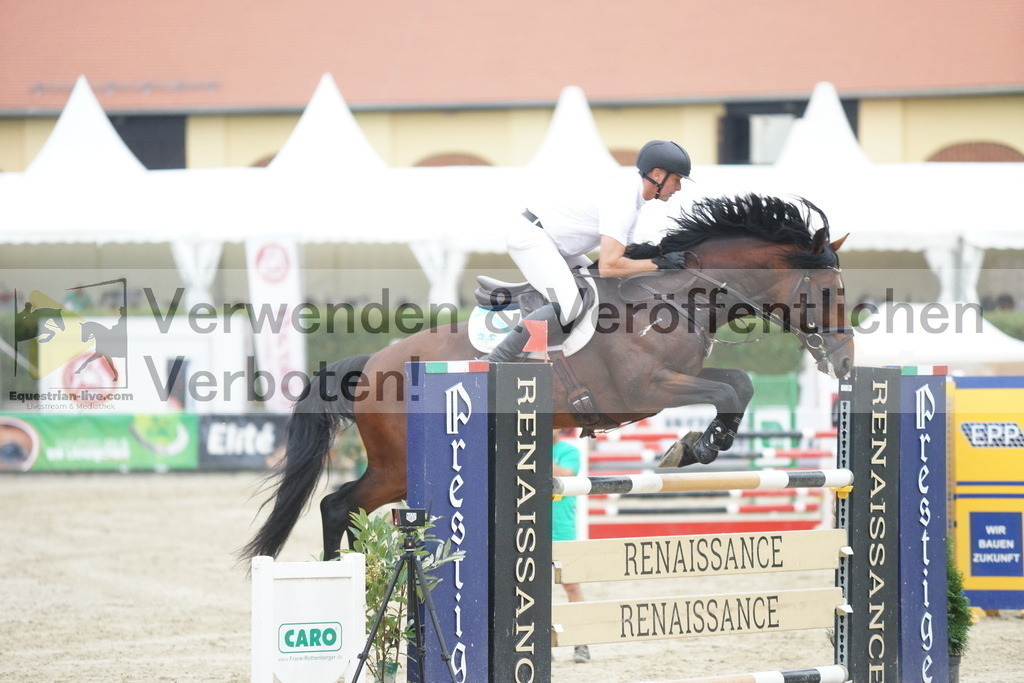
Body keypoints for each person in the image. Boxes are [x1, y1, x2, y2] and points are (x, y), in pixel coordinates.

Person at [483, 140, 694, 362]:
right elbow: (609, 266)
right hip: (532, 238)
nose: (678, 188)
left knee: (601, 291)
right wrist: (659, 264)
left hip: (554, 243)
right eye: (677, 180)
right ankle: (497, 358)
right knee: (570, 305)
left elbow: (628, 252)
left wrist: (662, 252)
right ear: (658, 175)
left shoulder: (630, 198)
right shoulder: (622, 200)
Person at [551, 429, 590, 663]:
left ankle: (581, 643)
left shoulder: (569, 451)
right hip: (530, 529)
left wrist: (530, 455)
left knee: (572, 588)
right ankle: (539, 645)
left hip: (563, 530)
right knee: (531, 591)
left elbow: (565, 474)